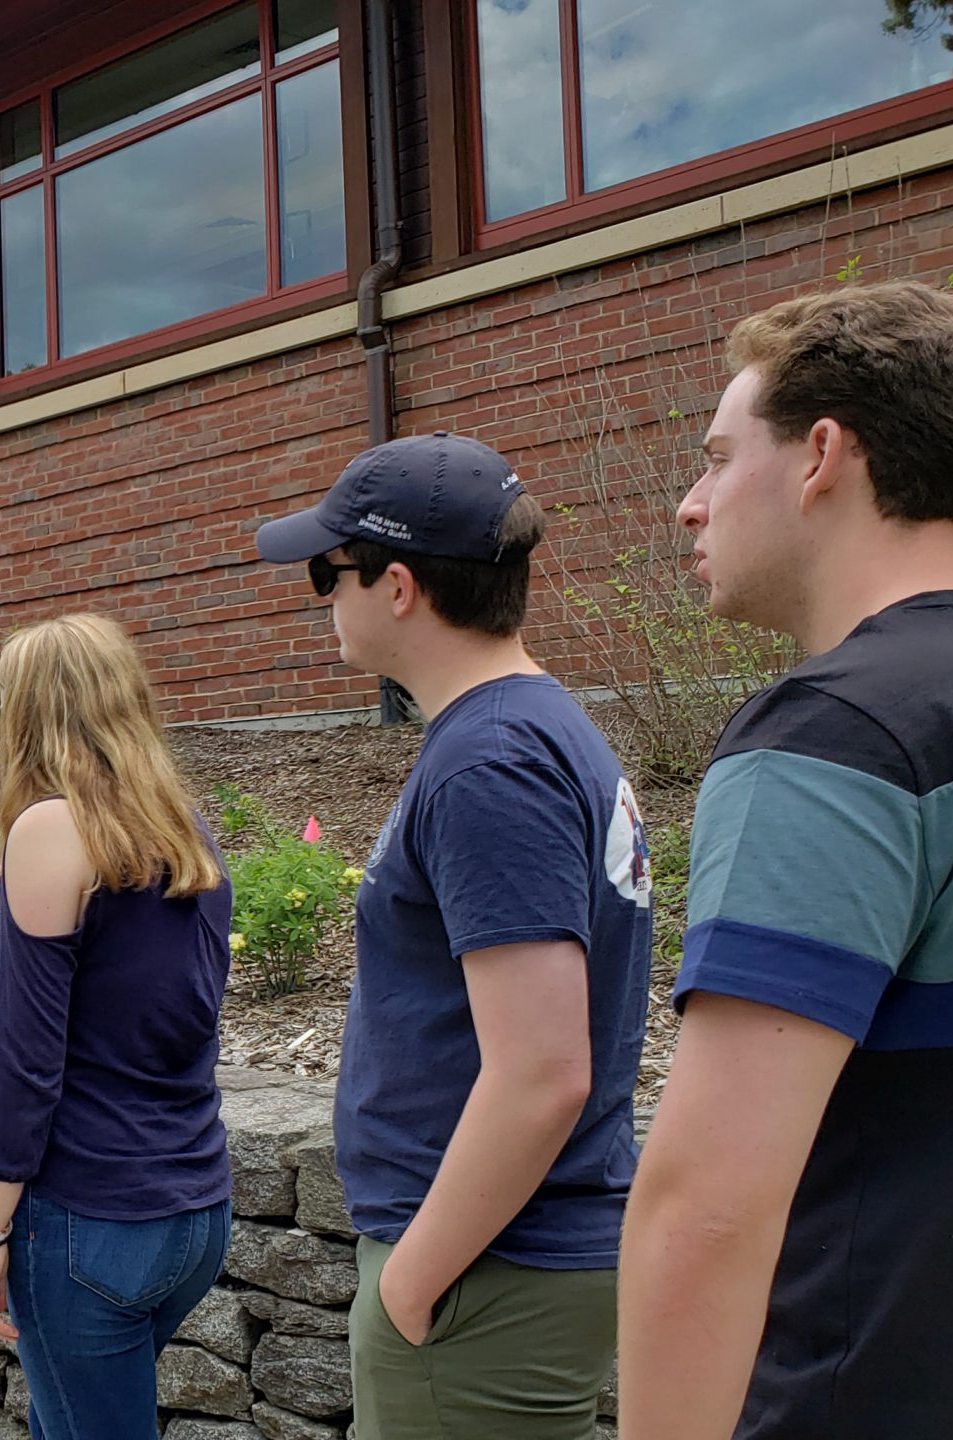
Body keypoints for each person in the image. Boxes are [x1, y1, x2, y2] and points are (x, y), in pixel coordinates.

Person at [618, 282, 953, 1440]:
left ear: (821, 458)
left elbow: (706, 1210)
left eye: (716, 457)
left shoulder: (833, 732)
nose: (691, 507)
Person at [253, 432, 654, 1438]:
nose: (319, 599)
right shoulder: (534, 731)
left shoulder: (491, 764)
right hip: (504, 1261)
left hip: (485, 1272)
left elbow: (542, 1071)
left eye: (324, 571)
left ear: (397, 587)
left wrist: (413, 1279)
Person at [0, 613, 234, 1440]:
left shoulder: (51, 829)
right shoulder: (183, 828)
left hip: (88, 1219)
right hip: (192, 1207)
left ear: (33, 712)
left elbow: (25, 1059)